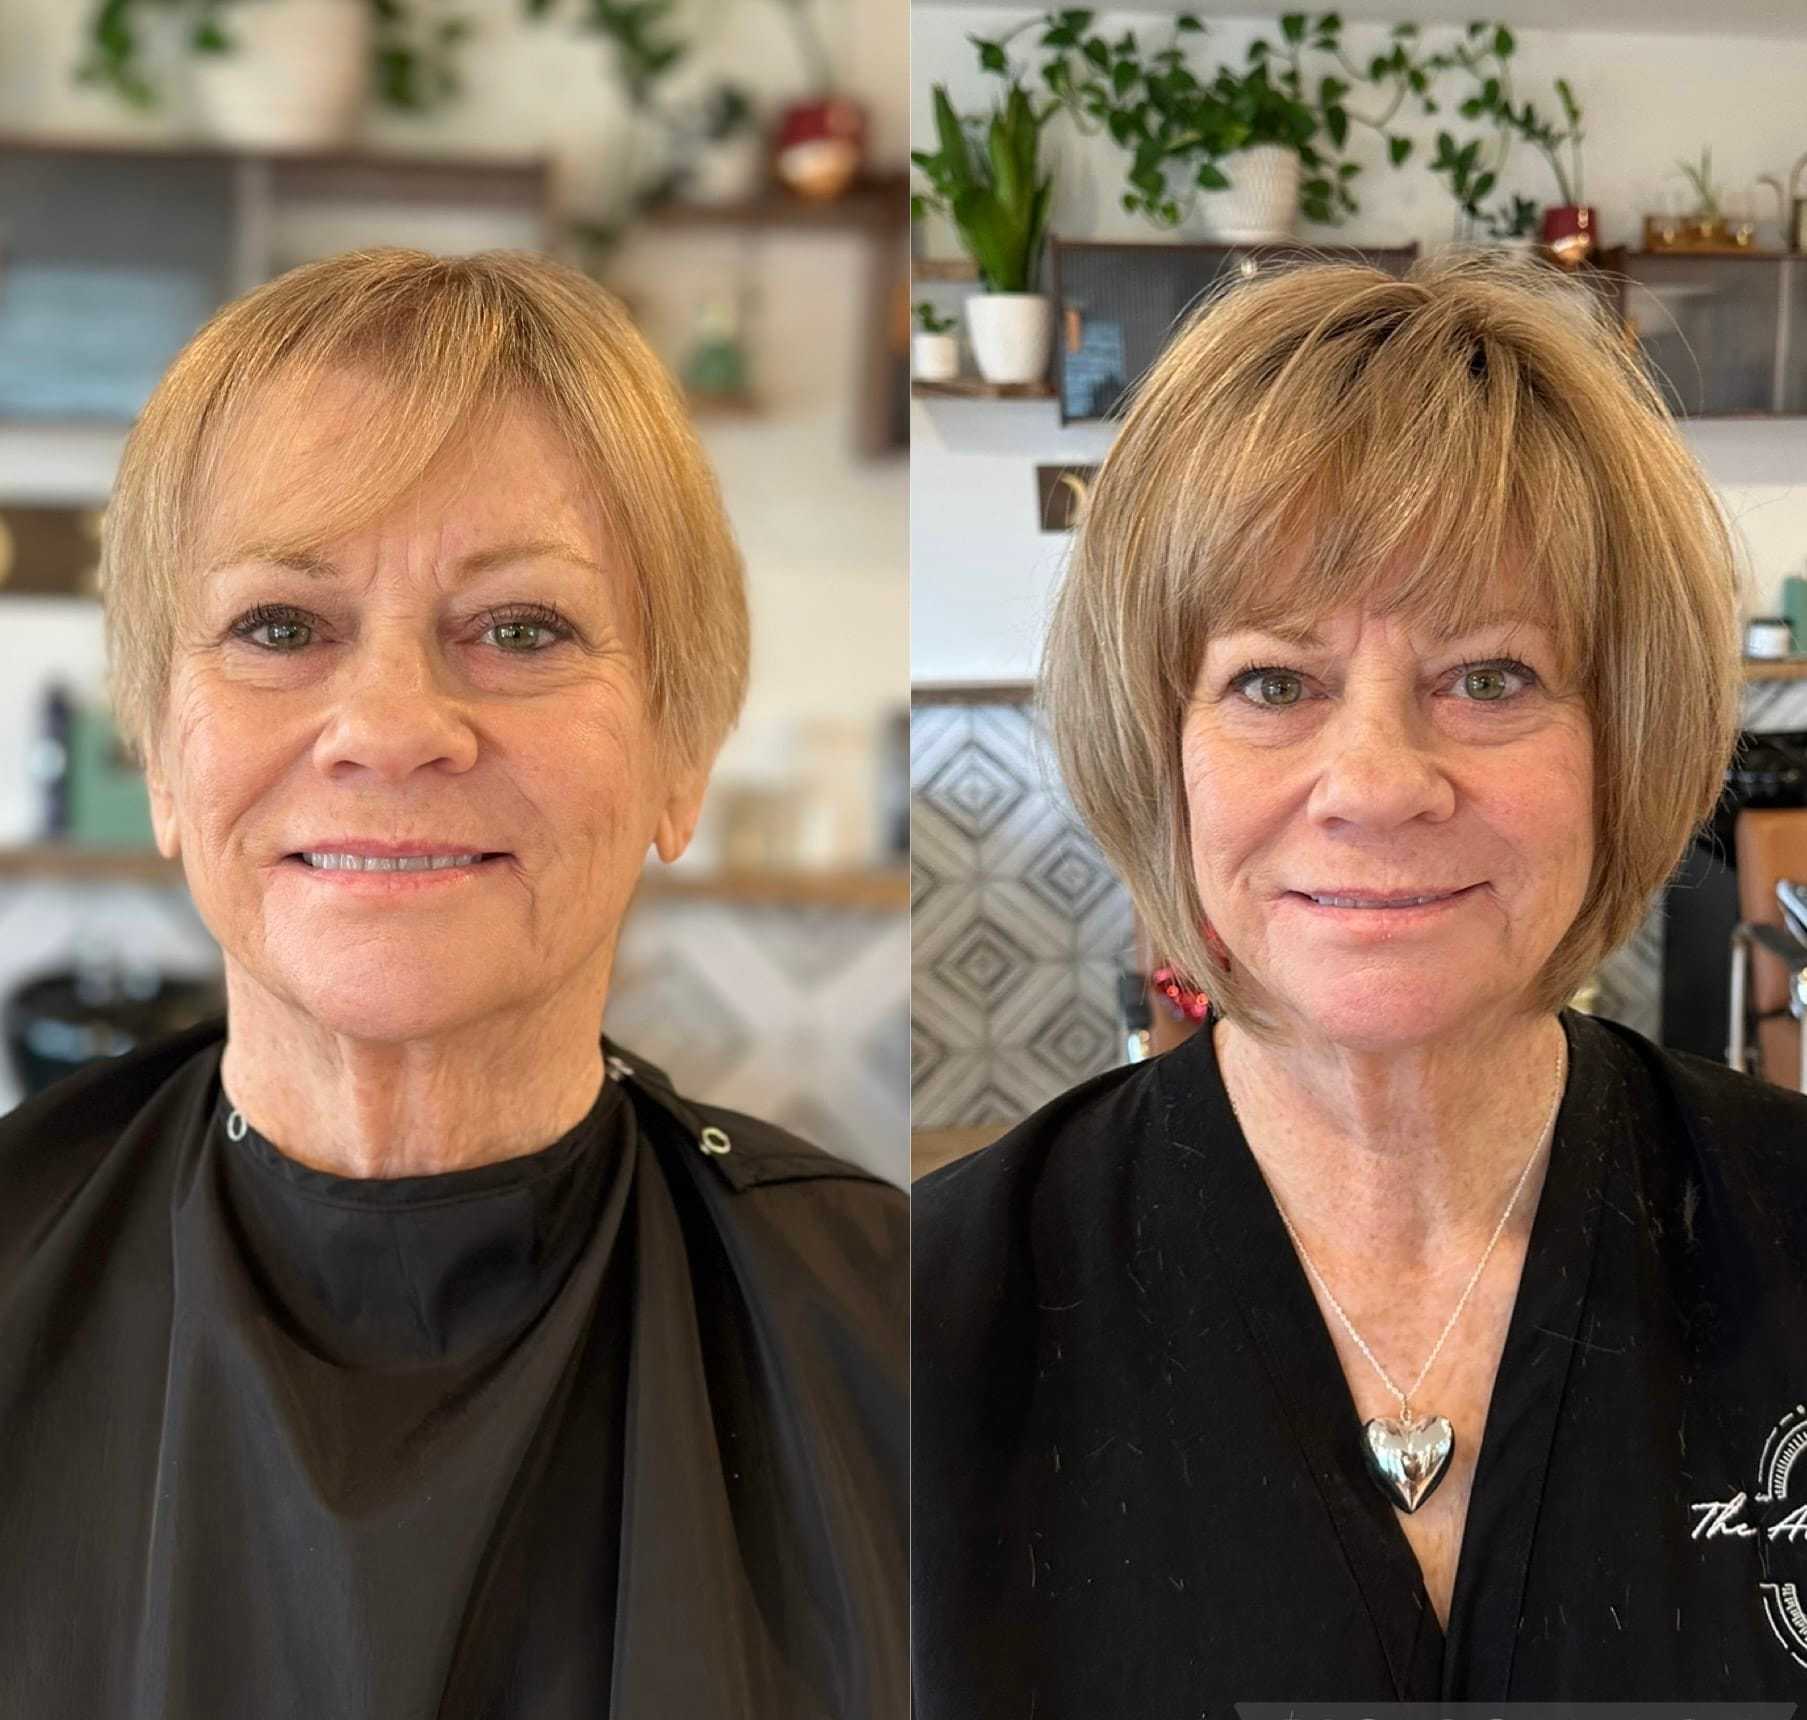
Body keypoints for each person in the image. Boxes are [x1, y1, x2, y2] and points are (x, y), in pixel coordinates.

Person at [0, 247, 906, 1720]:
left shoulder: (913, 1345)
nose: (392, 726)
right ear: (161, 756)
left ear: (681, 753)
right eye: (281, 628)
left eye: (522, 630)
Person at [912, 247, 1807, 1711]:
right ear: (1163, 744)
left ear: (1618, 740)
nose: (1380, 782)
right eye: (1275, 681)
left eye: (1491, 677)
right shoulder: (918, 1322)